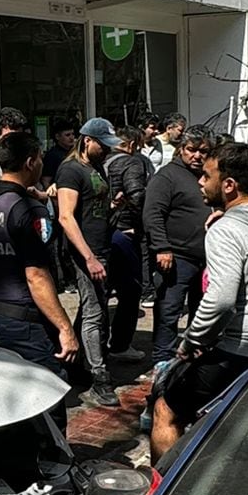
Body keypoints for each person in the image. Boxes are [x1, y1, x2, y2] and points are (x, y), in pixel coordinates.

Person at [151, 142, 248, 460]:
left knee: (165, 409)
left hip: (242, 350)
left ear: (229, 185)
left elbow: (221, 302)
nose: (199, 180)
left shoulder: (226, 231)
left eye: (206, 175)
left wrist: (190, 342)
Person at [0, 131, 78, 371]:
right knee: (46, 390)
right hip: (26, 323)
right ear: (30, 162)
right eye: (39, 159)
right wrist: (65, 328)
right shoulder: (27, 210)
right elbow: (36, 275)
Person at [56, 118, 120, 408]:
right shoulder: (70, 170)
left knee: (92, 306)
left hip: (102, 247)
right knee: (95, 311)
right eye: (102, 145)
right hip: (87, 252)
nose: (107, 151)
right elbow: (66, 217)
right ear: (87, 141)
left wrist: (113, 205)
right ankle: (98, 376)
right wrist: (89, 257)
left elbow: (93, 205)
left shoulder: (96, 168)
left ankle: (78, 362)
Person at [143, 130, 209, 368]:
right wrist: (162, 247)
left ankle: (193, 356)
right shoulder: (167, 177)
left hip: (207, 258)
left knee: (201, 311)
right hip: (176, 256)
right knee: (169, 311)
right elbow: (152, 214)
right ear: (182, 149)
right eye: (192, 150)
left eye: (203, 151)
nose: (197, 156)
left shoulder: (208, 176)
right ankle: (163, 362)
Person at [103, 126, 150, 361]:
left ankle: (91, 345)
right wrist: (140, 223)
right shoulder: (132, 163)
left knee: (99, 294)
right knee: (131, 291)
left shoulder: (101, 162)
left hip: (102, 232)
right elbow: (137, 195)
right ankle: (120, 345)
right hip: (125, 231)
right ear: (132, 145)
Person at [42, 119, 77, 183]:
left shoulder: (76, 151)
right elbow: (46, 180)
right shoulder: (52, 155)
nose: (71, 137)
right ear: (57, 137)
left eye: (73, 134)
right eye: (67, 135)